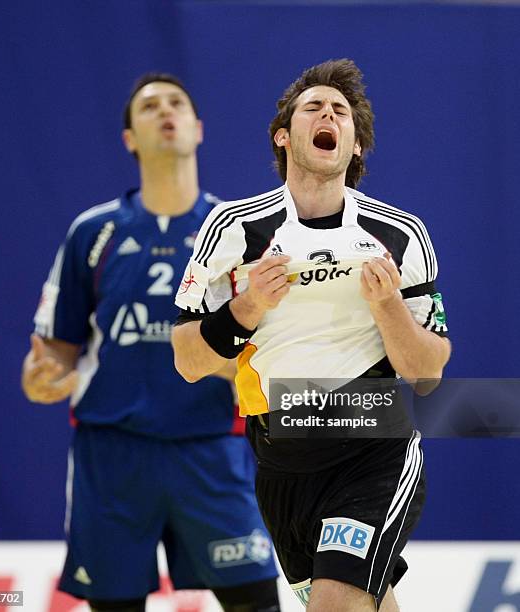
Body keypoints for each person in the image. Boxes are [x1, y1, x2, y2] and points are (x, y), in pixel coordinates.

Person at [172, 59, 451, 612]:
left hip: (374, 446)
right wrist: (248, 307)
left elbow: (427, 375)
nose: (328, 114)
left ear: (356, 146)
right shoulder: (234, 229)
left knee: (335, 604)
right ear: (284, 135)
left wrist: (389, 308)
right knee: (363, 603)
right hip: (280, 458)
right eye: (313, 107)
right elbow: (187, 360)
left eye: (341, 112)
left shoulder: (398, 234)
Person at [21, 73, 280, 612]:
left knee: (257, 603)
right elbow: (59, 351)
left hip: (212, 447)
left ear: (198, 128)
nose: (166, 112)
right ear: (129, 139)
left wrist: (223, 364)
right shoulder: (93, 233)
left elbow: (268, 356)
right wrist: (42, 375)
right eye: (149, 106)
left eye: (177, 103)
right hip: (113, 453)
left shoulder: (238, 233)